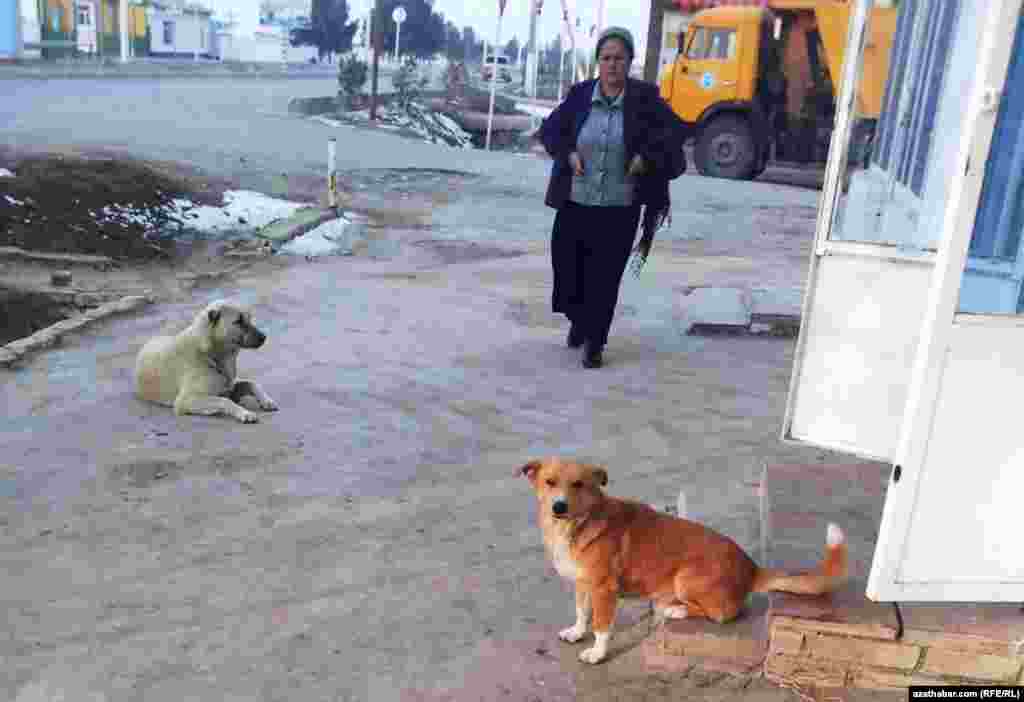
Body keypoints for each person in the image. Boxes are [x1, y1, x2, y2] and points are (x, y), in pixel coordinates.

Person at [539, 26, 687, 369]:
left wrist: (646, 156)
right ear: (598, 63)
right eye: (606, 58)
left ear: (630, 62)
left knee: (605, 276)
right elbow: (551, 131)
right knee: (570, 269)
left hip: (620, 207)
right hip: (576, 202)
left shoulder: (644, 100)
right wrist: (569, 154)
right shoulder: (580, 96)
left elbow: (677, 130)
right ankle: (579, 318)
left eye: (619, 58)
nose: (612, 65)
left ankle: (595, 340)